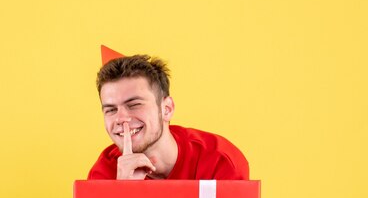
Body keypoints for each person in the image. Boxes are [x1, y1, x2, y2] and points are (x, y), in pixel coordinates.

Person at [87, 47, 249, 180]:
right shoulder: (103, 174)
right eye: (110, 109)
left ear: (167, 109)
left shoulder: (218, 161)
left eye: (134, 104)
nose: (121, 118)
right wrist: (122, 192)